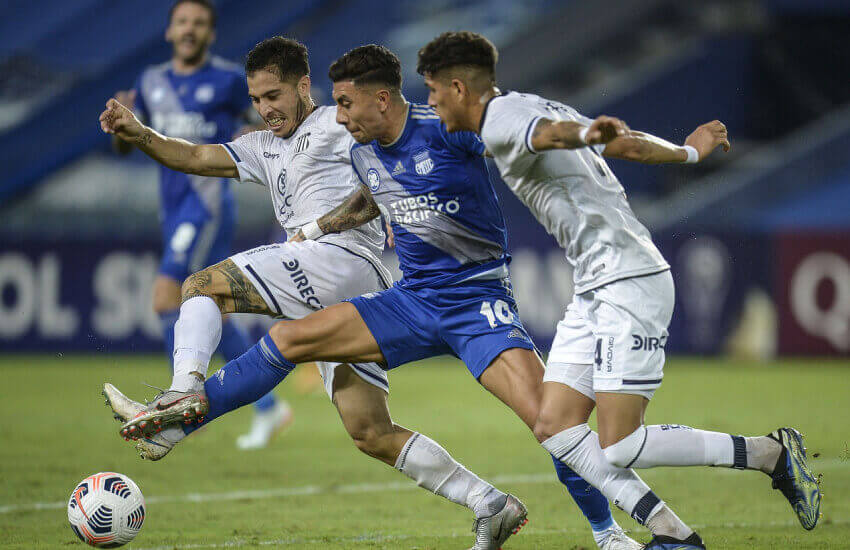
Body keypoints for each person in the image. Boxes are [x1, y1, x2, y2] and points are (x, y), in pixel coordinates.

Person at [105, 42, 643, 550]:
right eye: (256, 100)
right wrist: (141, 134)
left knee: (202, 286)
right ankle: (490, 502)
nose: (265, 108)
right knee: (369, 431)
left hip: (341, 262)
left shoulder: (338, 122)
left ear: (303, 86)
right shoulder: (262, 147)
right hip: (343, 278)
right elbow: (196, 156)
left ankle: (181, 396)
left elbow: (400, 145)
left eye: (274, 95)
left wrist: (335, 221)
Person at [414, 30, 823, 549]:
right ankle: (673, 535)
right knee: (555, 426)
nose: (430, 101)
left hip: (629, 281)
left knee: (620, 444)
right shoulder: (529, 105)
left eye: (432, 90)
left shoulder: (502, 121)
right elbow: (619, 140)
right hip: (595, 285)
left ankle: (769, 454)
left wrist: (581, 136)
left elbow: (553, 135)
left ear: (457, 86)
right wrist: (687, 154)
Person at [111, 0, 288, 449]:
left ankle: (187, 397)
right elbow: (131, 147)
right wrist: (121, 133)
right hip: (171, 208)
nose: (190, 30)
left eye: (200, 24)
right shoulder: (150, 83)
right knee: (206, 303)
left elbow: (261, 125)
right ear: (170, 30)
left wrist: (253, 137)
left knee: (165, 296)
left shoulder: (230, 80)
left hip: (206, 206)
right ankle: (265, 406)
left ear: (210, 34)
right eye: (183, 22)